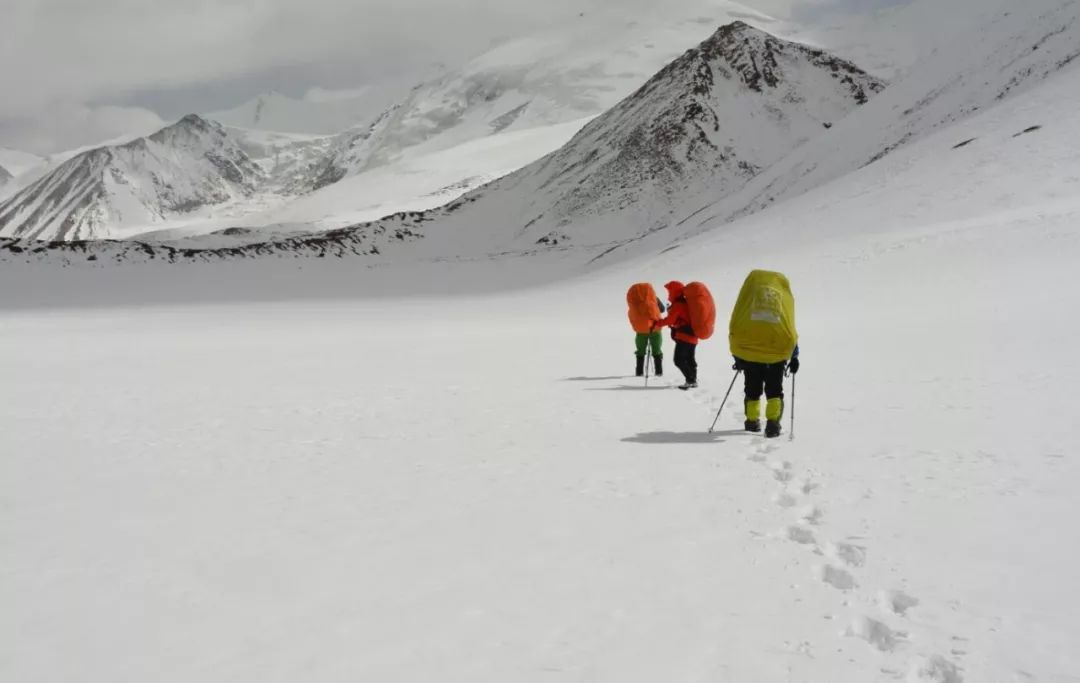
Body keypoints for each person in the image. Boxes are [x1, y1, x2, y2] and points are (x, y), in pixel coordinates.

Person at [729, 270, 800, 438]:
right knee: (774, 391)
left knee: (752, 390)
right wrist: (794, 356)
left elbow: (738, 330)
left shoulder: (749, 307)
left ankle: (752, 422)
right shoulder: (780, 307)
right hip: (776, 358)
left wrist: (738, 357)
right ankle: (773, 424)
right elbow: (789, 332)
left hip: (751, 357)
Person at [657, 281, 698, 390]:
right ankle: (693, 380)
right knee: (690, 359)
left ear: (674, 292)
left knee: (678, 360)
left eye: (669, 292)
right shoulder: (686, 303)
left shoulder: (678, 304)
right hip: (693, 335)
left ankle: (690, 380)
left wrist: (657, 323)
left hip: (684, 336)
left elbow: (670, 320)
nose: (668, 294)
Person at [634, 296, 665, 377]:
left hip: (641, 329)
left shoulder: (637, 300)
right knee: (657, 350)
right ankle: (659, 372)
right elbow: (662, 309)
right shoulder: (655, 298)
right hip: (655, 328)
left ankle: (639, 372)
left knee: (640, 351)